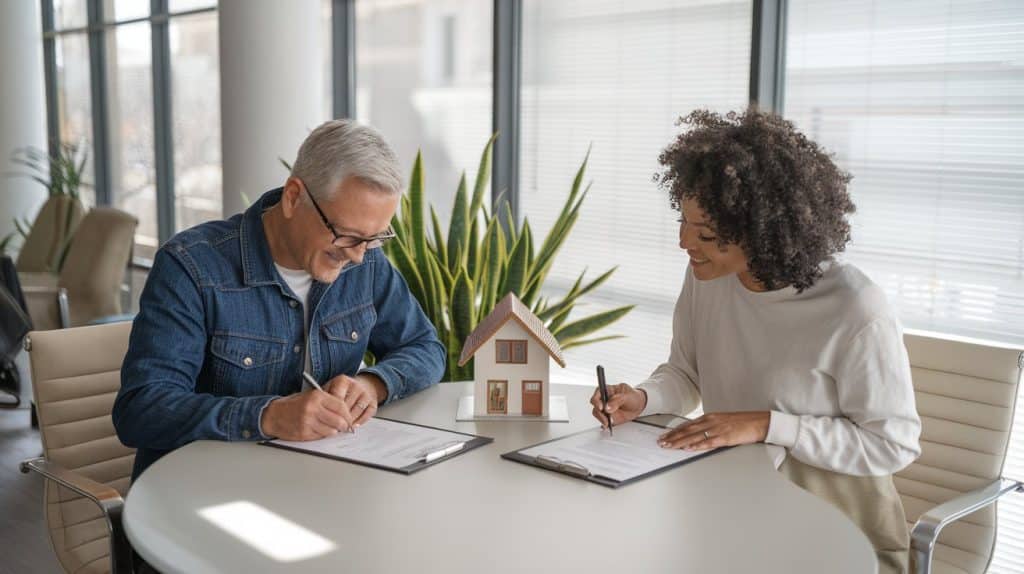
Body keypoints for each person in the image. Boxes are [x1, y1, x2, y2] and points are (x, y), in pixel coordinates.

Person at [590, 109, 921, 573]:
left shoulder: (853, 307)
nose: (684, 241)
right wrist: (643, 398)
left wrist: (767, 424)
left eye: (704, 232)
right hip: (734, 507)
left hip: (838, 532)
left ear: (764, 230)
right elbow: (686, 372)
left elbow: (894, 444)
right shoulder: (708, 276)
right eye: (683, 221)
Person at [114, 119, 446, 481]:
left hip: (316, 487)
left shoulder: (364, 265)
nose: (358, 257)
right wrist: (268, 416)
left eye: (375, 238)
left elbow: (426, 347)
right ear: (293, 197)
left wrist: (373, 384)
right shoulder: (191, 268)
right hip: (208, 497)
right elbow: (142, 411)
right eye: (347, 236)